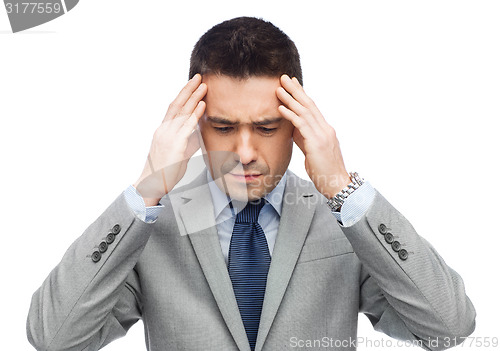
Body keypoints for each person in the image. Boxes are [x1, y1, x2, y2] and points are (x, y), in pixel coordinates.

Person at [27, 16, 476, 351]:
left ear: (299, 125)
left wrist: (342, 185)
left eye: (265, 128)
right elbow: (54, 337)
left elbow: (448, 327)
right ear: (194, 124)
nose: (243, 153)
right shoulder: (151, 226)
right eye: (223, 128)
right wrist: (148, 188)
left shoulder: (343, 221)